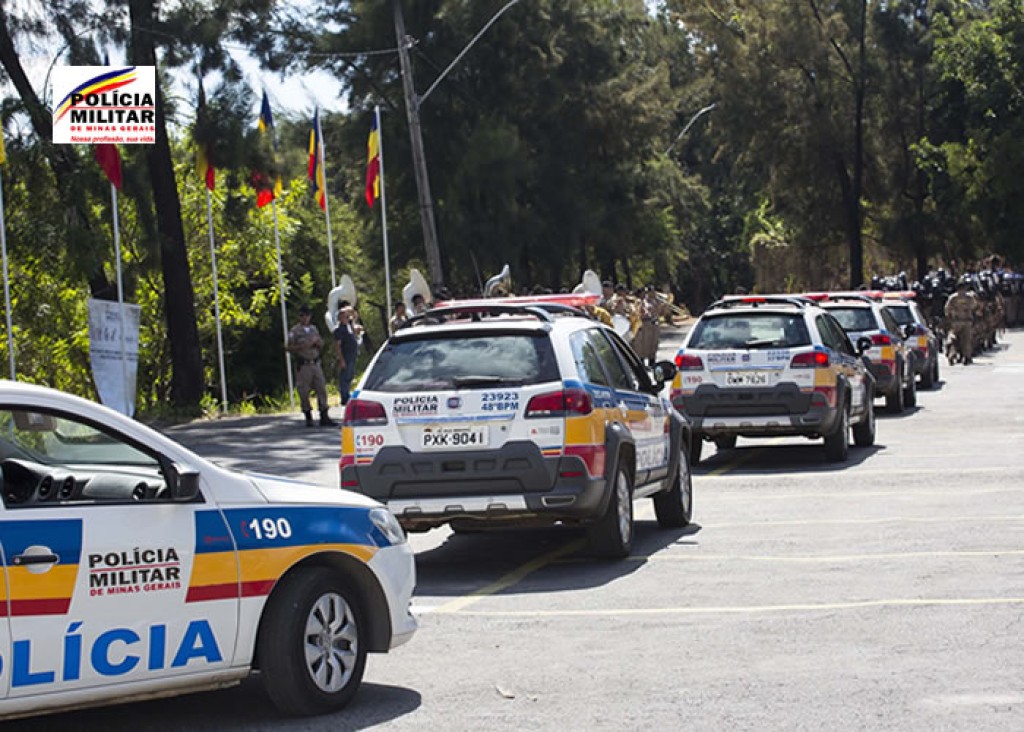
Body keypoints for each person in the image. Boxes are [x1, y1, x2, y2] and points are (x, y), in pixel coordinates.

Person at [286, 304, 336, 427]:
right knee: (303, 391)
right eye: (302, 315)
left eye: (307, 315)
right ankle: (308, 415)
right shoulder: (295, 331)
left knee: (321, 388)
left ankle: (324, 414)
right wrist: (303, 346)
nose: (305, 318)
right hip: (303, 364)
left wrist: (318, 343)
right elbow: (288, 347)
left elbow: (321, 343)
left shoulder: (314, 329)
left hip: (315, 362)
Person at [944, 279, 976, 365]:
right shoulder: (969, 297)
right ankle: (967, 357)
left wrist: (949, 317)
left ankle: (952, 354)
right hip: (967, 321)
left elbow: (947, 309)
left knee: (953, 338)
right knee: (966, 340)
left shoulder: (952, 297)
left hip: (955, 321)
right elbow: (974, 306)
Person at [334, 306, 360, 406]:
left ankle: (347, 393)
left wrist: (349, 310)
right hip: (345, 356)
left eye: (346, 316)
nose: (346, 318)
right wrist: (341, 359)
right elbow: (337, 345)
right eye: (344, 316)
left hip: (352, 355)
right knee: (344, 376)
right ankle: (344, 397)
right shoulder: (339, 330)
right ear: (340, 318)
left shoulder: (349, 325)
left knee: (350, 375)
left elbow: (355, 315)